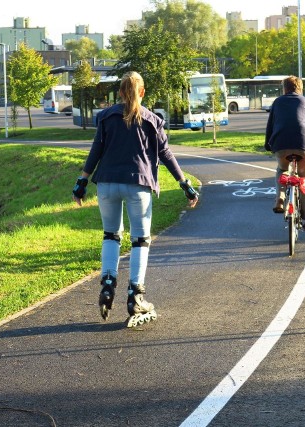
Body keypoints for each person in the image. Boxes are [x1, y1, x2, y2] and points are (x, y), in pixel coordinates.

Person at [72, 71, 199, 328]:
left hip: (106, 183)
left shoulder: (105, 117)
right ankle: (135, 297)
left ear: (119, 93)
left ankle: (108, 285)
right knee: (140, 240)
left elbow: (95, 151)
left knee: (111, 235)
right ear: (142, 92)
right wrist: (185, 184)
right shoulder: (153, 120)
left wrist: (82, 181)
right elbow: (165, 154)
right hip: (138, 185)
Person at [265, 75, 305, 232]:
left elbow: (270, 126)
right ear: (300, 88)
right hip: (304, 144)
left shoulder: (277, 102)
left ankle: (280, 199)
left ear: (284, 88)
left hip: (281, 144)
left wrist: (268, 145)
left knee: (282, 170)